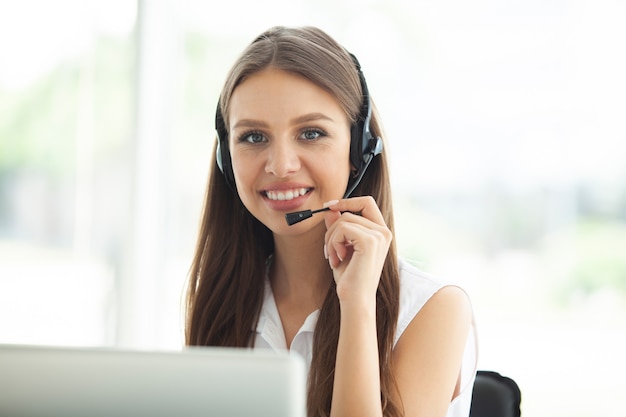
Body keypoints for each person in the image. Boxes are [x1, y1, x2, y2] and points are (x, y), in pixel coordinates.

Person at [185, 26, 477, 417]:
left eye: (310, 133)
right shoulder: (226, 299)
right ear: (227, 159)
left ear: (359, 150)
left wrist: (357, 303)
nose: (280, 165)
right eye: (253, 137)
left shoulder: (433, 309)